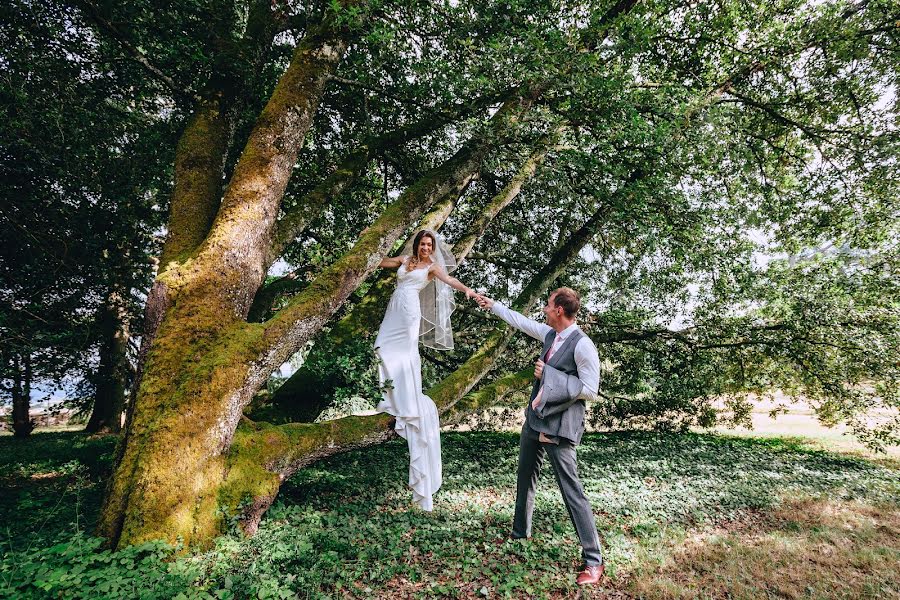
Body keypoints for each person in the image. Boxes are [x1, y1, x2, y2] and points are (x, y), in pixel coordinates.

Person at [476, 288, 605, 585]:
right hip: (535, 421)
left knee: (571, 490)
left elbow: (590, 389)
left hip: (559, 428)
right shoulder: (550, 334)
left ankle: (594, 561)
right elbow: (520, 321)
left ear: (559, 310)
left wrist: (548, 375)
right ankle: (520, 535)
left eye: (548, 305)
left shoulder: (583, 345)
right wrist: (492, 304)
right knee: (525, 478)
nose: (545, 310)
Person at [376, 229, 478, 511]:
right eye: (422, 243)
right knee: (381, 349)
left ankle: (404, 401)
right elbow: (379, 261)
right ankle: (390, 398)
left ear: (432, 247)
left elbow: (450, 279)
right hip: (394, 308)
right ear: (416, 244)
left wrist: (468, 290)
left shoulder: (432, 267)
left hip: (410, 311)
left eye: (429, 244)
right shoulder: (405, 259)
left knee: (405, 354)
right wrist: (367, 248)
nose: (425, 247)